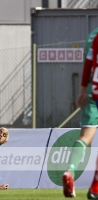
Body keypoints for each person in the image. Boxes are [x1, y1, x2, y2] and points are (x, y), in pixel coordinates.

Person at [62, 28, 98, 199]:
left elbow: (89, 63)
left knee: (84, 137)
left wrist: (82, 90)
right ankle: (95, 187)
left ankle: (70, 170)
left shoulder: (93, 36)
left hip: (93, 89)